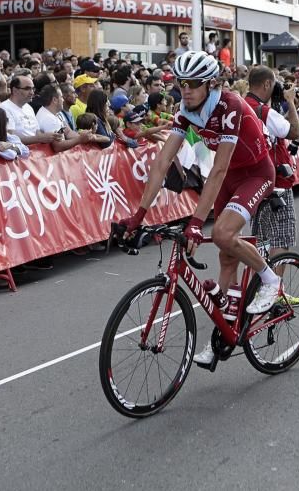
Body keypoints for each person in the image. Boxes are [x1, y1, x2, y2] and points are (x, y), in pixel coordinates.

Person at [117, 52, 282, 362]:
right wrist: (137, 216)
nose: (186, 90)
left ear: (210, 84)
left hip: (256, 173)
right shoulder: (185, 112)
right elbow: (162, 162)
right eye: (182, 83)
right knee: (226, 256)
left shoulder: (229, 105)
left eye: (193, 84)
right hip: (230, 177)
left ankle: (271, 280)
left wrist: (195, 221)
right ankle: (225, 333)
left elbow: (217, 169)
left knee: (221, 233)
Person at [245, 67, 299, 253]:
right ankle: (274, 283)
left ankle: (259, 281)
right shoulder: (264, 112)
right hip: (276, 182)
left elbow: (276, 129)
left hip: (252, 183)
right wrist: (291, 103)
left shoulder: (242, 106)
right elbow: (295, 132)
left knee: (261, 240)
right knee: (280, 240)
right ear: (267, 84)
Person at [0, 74, 62, 146]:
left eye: (33, 89)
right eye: (27, 89)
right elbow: (11, 138)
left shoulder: (28, 107)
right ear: (15, 90)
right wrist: (39, 138)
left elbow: (37, 132)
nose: (32, 92)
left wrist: (50, 137)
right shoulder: (4, 108)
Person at [34, 84, 95, 151]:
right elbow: (58, 146)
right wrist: (80, 139)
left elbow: (68, 132)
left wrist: (87, 136)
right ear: (55, 100)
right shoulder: (49, 119)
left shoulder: (56, 113)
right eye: (61, 97)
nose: (63, 100)